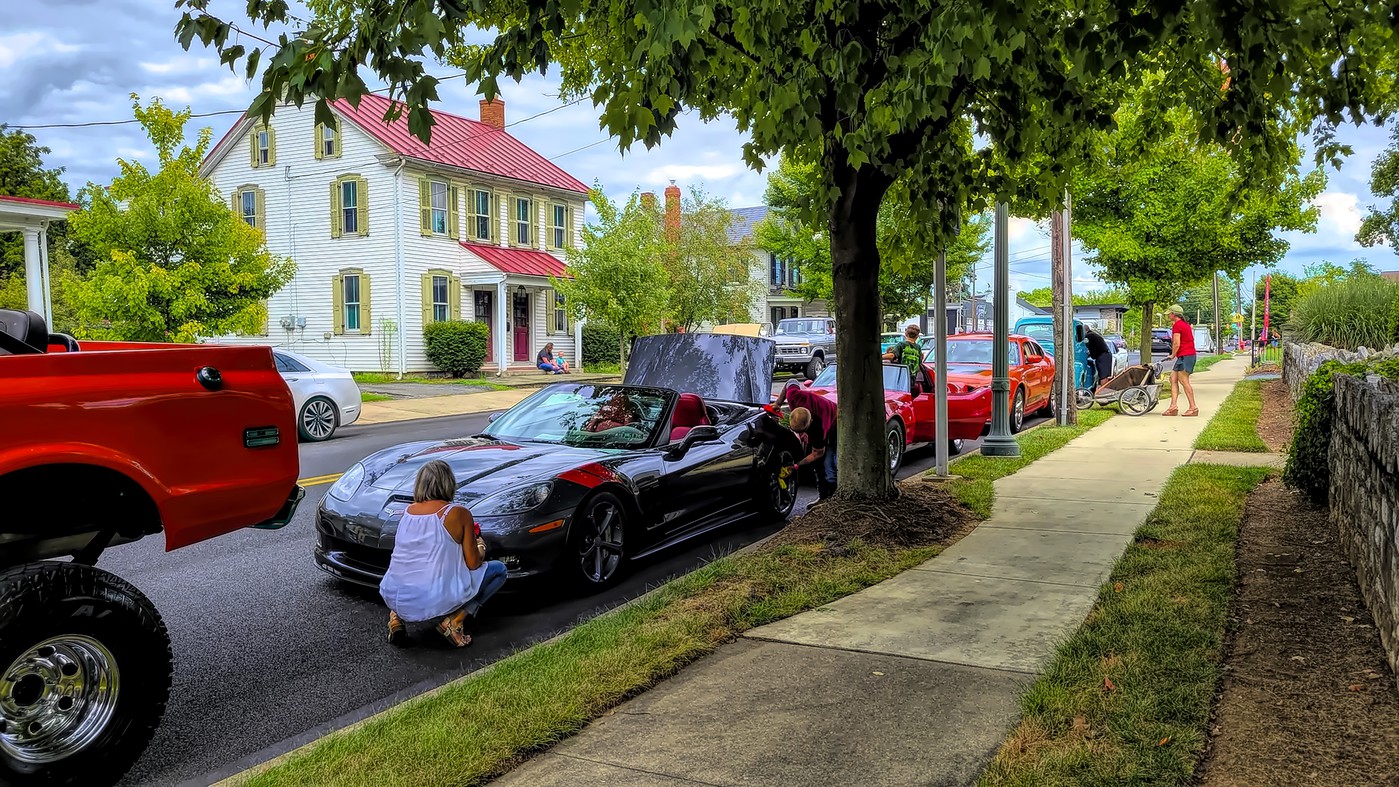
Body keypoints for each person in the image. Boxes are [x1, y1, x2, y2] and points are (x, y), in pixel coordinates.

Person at [380, 460, 507, 648]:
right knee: (499, 570)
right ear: (449, 483)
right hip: (431, 599)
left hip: (393, 596)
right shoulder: (457, 513)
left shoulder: (408, 512)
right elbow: (473, 564)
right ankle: (455, 621)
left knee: (412, 569)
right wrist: (481, 548)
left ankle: (396, 619)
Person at [775, 381, 839, 500]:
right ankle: (823, 497)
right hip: (819, 414)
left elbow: (817, 453)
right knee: (817, 465)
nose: (798, 434)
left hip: (835, 423)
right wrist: (778, 403)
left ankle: (832, 498)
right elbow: (791, 382)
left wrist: (795, 466)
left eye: (800, 432)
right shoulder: (794, 396)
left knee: (829, 464)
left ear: (809, 424)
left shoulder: (820, 427)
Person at [1162, 304, 1199, 417]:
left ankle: (1193, 407)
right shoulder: (1184, 325)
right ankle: (1173, 406)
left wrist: (1173, 354)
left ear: (1174, 314)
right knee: (1173, 378)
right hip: (1184, 355)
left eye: (1169, 314)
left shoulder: (1178, 325)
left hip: (1186, 356)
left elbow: (1176, 343)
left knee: (1184, 381)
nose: (1168, 316)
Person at [882, 324, 923, 390]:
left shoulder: (901, 344)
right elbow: (920, 363)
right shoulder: (918, 347)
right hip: (912, 378)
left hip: (902, 378)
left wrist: (878, 357)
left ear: (906, 333)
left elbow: (892, 355)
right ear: (917, 336)